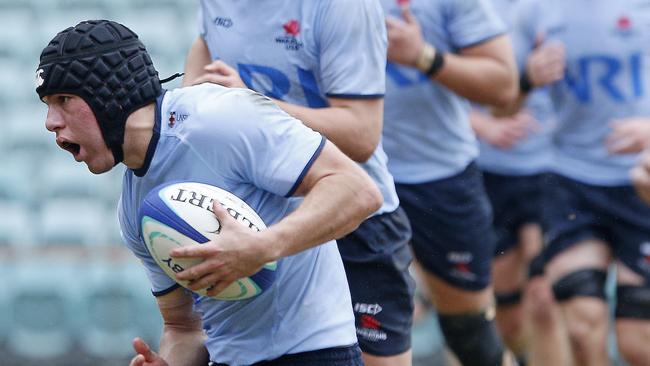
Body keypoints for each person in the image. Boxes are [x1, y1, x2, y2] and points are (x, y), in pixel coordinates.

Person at [36, 19, 384, 366]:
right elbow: (183, 327)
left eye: (63, 98)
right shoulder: (135, 209)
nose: (50, 122)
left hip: (315, 356)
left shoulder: (220, 117)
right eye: (47, 105)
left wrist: (263, 247)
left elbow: (357, 190)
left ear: (107, 94)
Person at [182, 2, 416, 365]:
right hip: (259, 218)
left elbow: (361, 133)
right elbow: (204, 49)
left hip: (352, 216)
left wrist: (252, 105)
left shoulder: (342, 8)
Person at [377, 0, 519, 365]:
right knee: (358, 331)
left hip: (440, 177)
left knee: (470, 335)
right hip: (343, 175)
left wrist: (423, 56)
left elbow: (504, 87)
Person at [511, 1, 650, 365]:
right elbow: (502, 104)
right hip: (570, 182)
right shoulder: (535, 12)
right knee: (582, 330)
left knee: (639, 344)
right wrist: (527, 80)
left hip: (642, 183)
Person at [470, 0, 572, 364]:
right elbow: (435, 90)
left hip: (550, 170)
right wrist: (483, 126)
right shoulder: (468, 10)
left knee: (546, 297)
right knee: (504, 316)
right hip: (488, 171)